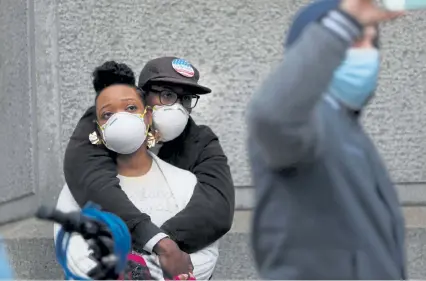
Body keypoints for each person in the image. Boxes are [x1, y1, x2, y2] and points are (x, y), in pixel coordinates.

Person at [246, 0, 406, 279]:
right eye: (355, 39)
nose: (369, 53)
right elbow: (271, 116)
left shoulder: (347, 128)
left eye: (372, 42)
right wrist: (345, 20)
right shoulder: (302, 122)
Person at [62, 57, 234, 273]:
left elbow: (217, 208)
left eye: (187, 99)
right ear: (142, 93)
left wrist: (154, 250)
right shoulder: (108, 123)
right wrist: (152, 240)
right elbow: (92, 181)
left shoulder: (200, 141)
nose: (177, 108)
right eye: (167, 95)